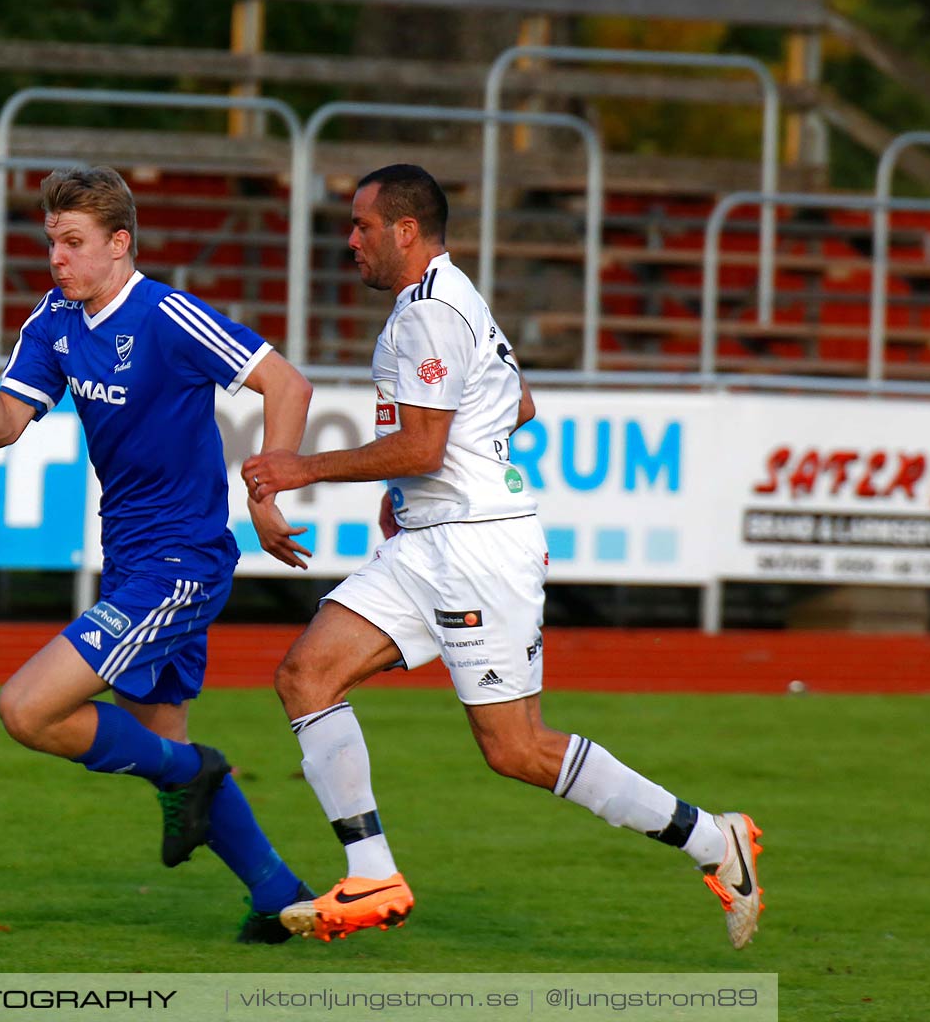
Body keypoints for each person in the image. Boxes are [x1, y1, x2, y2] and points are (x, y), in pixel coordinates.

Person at [242, 164, 765, 949]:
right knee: (304, 677)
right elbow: (514, 403)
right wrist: (426, 483)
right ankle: (374, 873)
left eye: (363, 226)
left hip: (478, 549)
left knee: (516, 749)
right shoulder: (448, 298)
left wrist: (304, 467)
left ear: (406, 231)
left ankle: (712, 840)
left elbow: (424, 440)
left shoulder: (431, 314)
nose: (350, 240)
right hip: (434, 538)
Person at [0, 164, 319, 942]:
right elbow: (3, 425)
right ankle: (276, 894)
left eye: (73, 243)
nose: (57, 259)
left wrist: (265, 495)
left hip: (183, 564)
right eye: (51, 243)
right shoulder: (55, 323)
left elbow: (287, 385)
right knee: (165, 746)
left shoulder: (168, 315)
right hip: (131, 563)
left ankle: (192, 777)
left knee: (27, 709)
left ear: (120, 245)